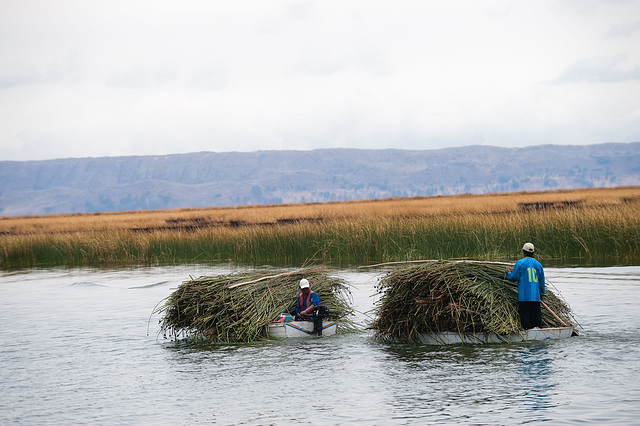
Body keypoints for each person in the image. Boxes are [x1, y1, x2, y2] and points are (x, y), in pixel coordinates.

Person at [507, 242, 546, 330]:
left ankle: (528, 333)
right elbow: (541, 281)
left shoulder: (520, 263)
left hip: (524, 297)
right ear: (533, 253)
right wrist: (542, 294)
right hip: (536, 297)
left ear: (523, 252)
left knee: (525, 319)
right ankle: (537, 332)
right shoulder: (538, 264)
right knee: (536, 318)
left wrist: (508, 273)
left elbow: (514, 277)